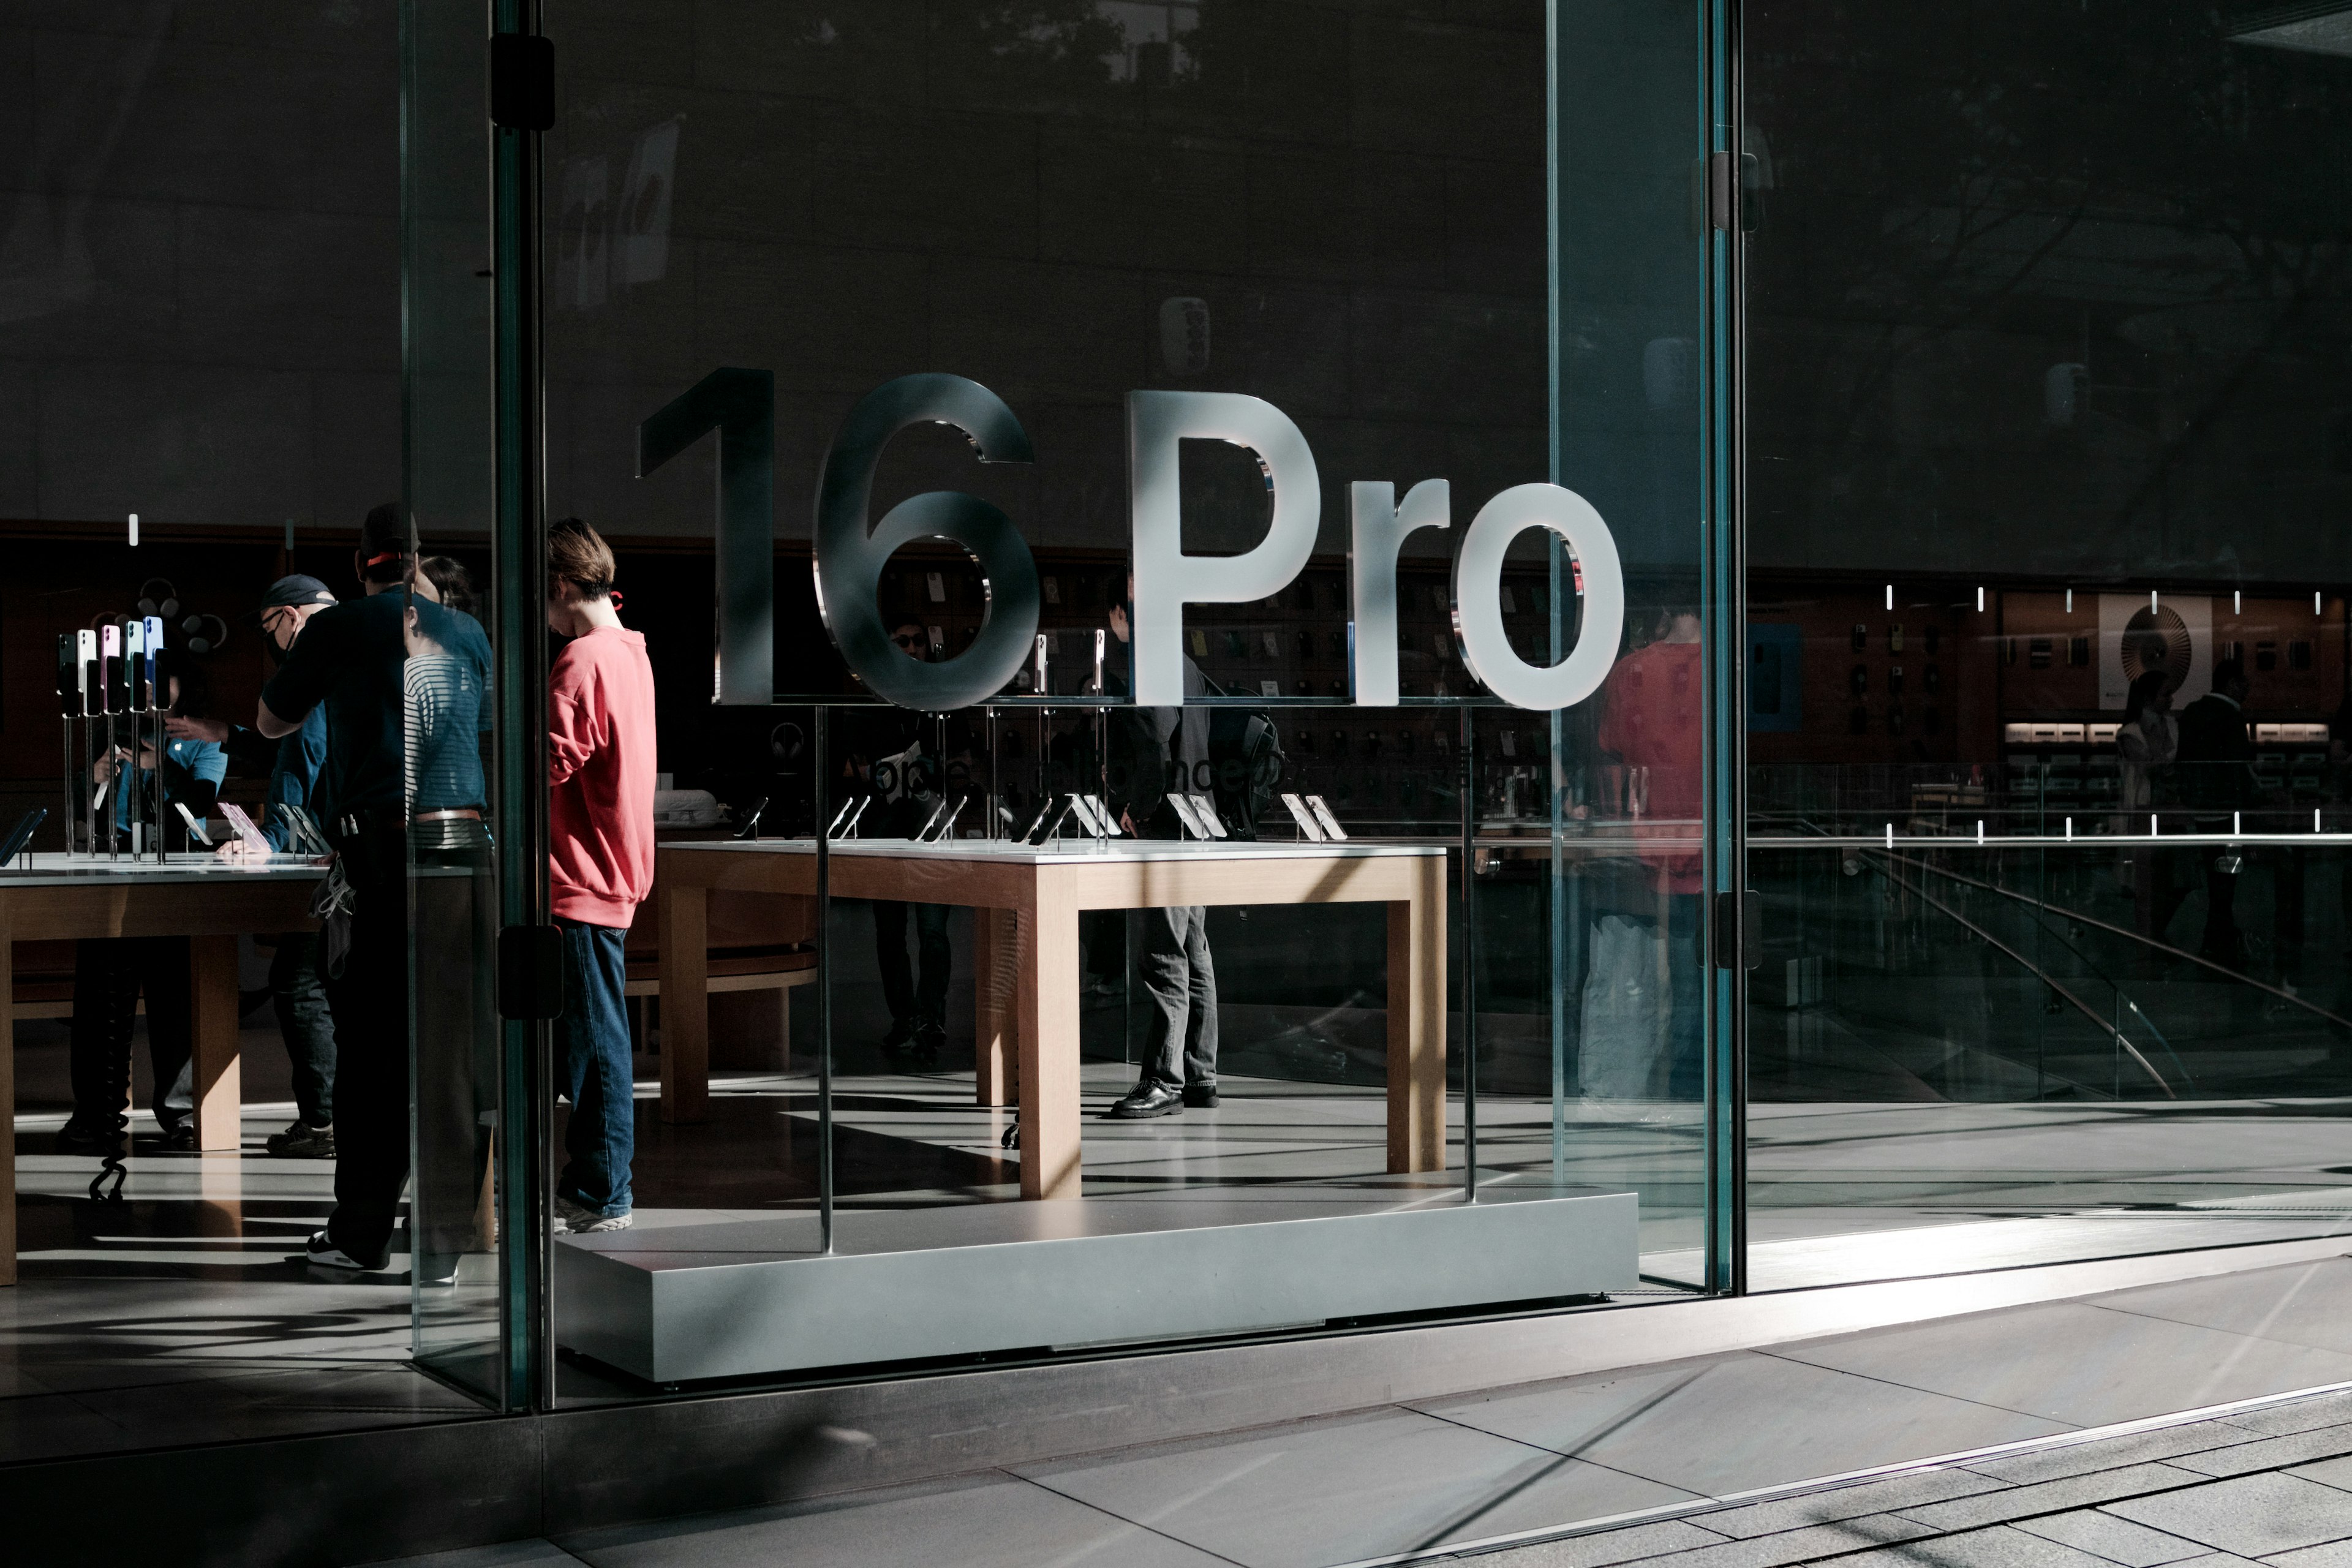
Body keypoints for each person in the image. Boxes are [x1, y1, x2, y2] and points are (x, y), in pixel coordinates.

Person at [258, 502, 484, 1273]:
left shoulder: (340, 626)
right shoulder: (470, 633)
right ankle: (447, 1247)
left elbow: (269, 721)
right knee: (453, 1055)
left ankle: (361, 1236)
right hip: (465, 851)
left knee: (371, 1052)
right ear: (419, 559)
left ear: (362, 565)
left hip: (382, 854)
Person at [170, 575, 342, 1158]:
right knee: (320, 982)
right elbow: (294, 747)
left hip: (331, 856)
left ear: (291, 617)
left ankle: (324, 1122)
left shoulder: (317, 659)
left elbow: (305, 755)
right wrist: (226, 735)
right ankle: (334, 1118)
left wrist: (268, 839)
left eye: (270, 627)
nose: (272, 640)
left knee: (300, 984)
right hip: (352, 848)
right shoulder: (357, 648)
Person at [56, 660, 226, 1154]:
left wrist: (162, 768)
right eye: (142, 689)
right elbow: (84, 811)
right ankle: (95, 1111)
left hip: (175, 880)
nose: (150, 697)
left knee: (174, 999)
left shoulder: (205, 740)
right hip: (110, 874)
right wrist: (95, 776)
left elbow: (201, 803)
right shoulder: (113, 732)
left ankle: (181, 1115)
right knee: (99, 997)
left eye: (160, 688)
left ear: (182, 689)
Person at [545, 517, 657, 1234]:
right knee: (594, 1037)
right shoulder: (628, 650)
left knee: (597, 1040)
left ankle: (602, 1190)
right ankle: (595, 1183)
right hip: (611, 867)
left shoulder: (582, 658)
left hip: (582, 872)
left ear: (559, 585)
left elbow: (547, 762)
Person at [1578, 605, 1705, 1106]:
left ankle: (1617, 1097)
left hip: (1638, 852)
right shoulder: (1724, 675)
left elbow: (1610, 748)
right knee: (1689, 980)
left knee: (1625, 980)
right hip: (1700, 853)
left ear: (1663, 614)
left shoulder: (1631, 672)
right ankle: (1680, 1092)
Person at [1104, 578, 1218, 1119]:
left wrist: (1138, 806)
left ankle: (1163, 1079)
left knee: (1162, 952)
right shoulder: (1187, 665)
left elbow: (1154, 742)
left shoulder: (1151, 667)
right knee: (1194, 950)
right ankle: (1200, 1073)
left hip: (1168, 827)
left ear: (1116, 620)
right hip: (1201, 819)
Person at [860, 622, 953, 1068]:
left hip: (931, 833)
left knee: (933, 933)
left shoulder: (943, 703)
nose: (913, 649)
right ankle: (904, 1017)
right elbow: (856, 772)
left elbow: (962, 766)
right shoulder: (872, 707)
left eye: (918, 641)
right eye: (903, 641)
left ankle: (930, 1016)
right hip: (884, 835)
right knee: (890, 934)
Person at [2172, 657, 2260, 967]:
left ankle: (2217, 933)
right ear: (2232, 684)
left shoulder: (2193, 712)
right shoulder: (2232, 717)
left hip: (2200, 807)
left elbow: (2182, 761)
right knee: (2228, 874)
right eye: (2244, 682)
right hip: (2227, 809)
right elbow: (2241, 769)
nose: (2248, 688)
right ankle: (2218, 934)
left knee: (2215, 871)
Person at [2114, 669, 2177, 912]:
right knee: (2146, 876)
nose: (2171, 699)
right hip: (2144, 806)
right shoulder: (2130, 732)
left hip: (2168, 806)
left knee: (2168, 876)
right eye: (2166, 694)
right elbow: (2151, 767)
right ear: (2149, 698)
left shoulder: (2170, 725)